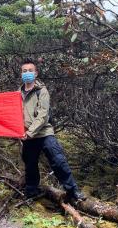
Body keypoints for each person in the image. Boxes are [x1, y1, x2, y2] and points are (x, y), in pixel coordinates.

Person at [20, 59, 86, 203]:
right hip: (27, 136)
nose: (27, 73)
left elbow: (43, 116)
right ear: (21, 73)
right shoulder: (17, 94)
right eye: (24, 71)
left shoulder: (42, 91)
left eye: (30, 70)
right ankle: (31, 191)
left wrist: (30, 132)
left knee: (58, 160)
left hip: (44, 133)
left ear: (36, 73)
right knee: (30, 164)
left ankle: (73, 191)